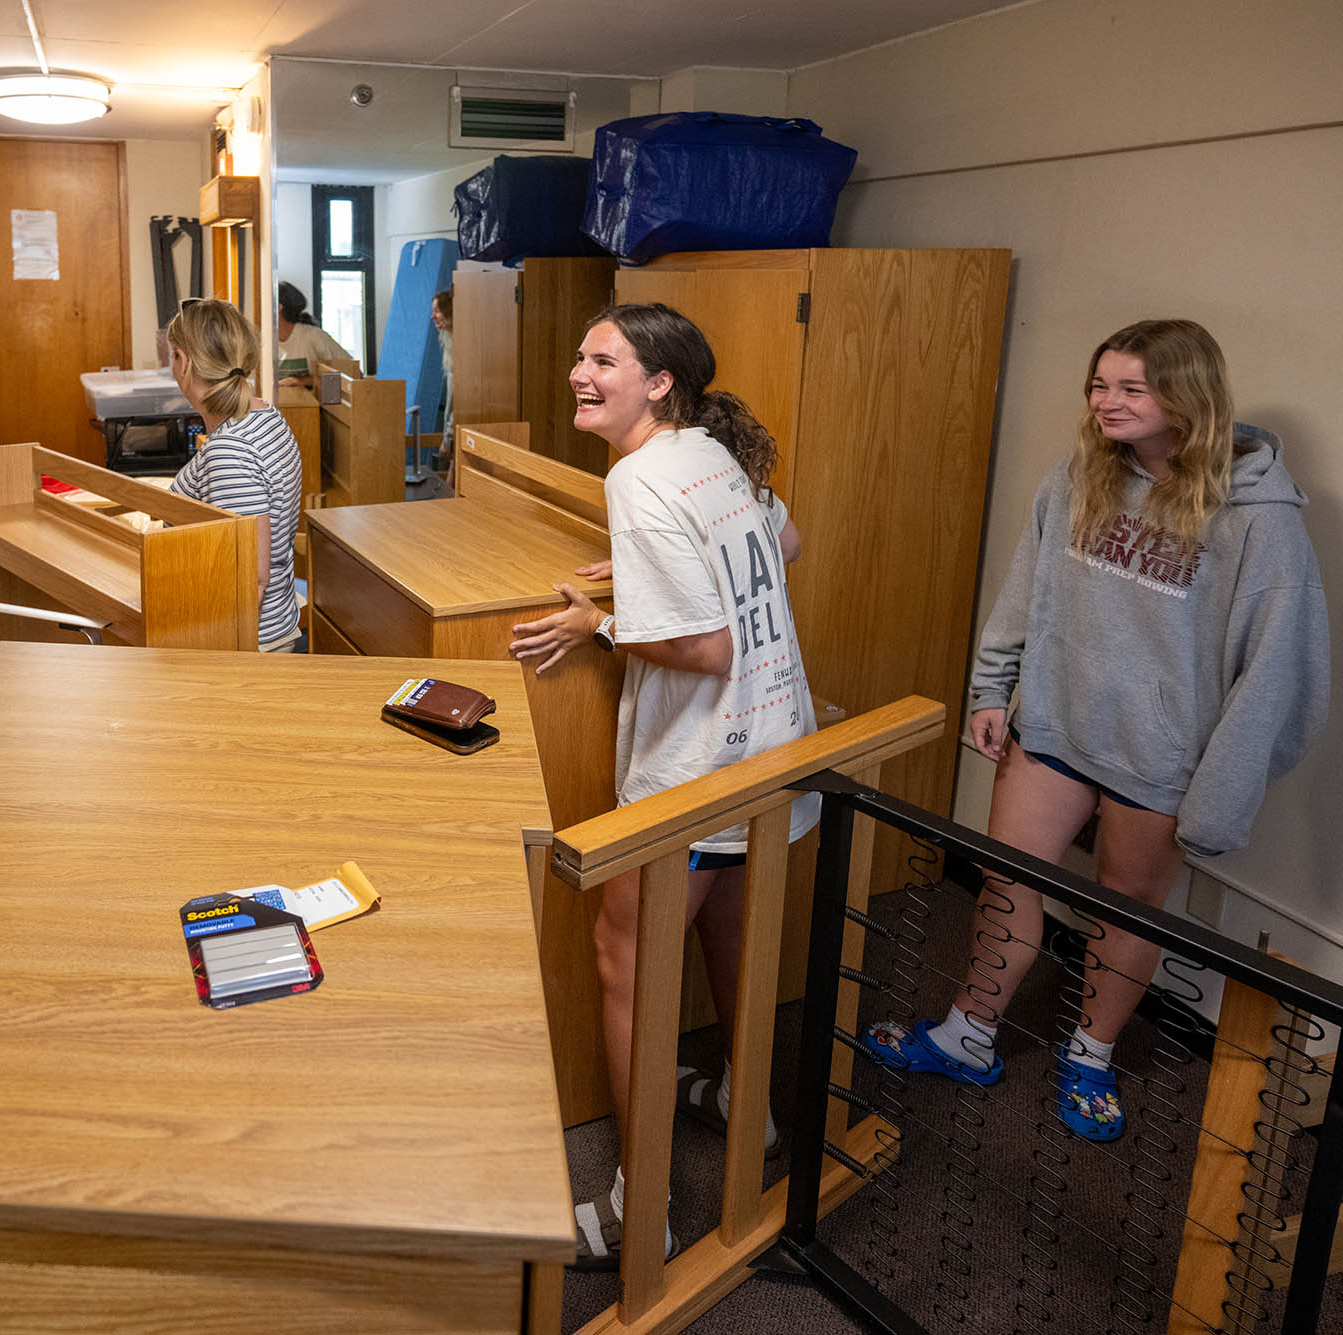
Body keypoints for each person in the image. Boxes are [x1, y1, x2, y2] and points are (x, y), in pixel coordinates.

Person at [865, 319, 1329, 1142]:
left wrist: (1219, 800)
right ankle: (969, 1033)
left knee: (1130, 908)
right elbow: (1026, 587)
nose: (1106, 402)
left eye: (1131, 388)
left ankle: (1090, 1053)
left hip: (1161, 759)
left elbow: (1277, 678)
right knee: (1008, 878)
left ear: (1187, 396)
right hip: (1055, 723)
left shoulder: (1260, 522)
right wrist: (993, 686)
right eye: (1099, 385)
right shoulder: (1081, 475)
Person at [509, 304, 819, 1268]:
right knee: (731, 927)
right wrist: (650, 574)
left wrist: (604, 621)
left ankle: (645, 1207)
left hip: (699, 762)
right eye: (580, 354)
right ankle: (747, 1106)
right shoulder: (709, 452)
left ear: (659, 385)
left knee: (623, 959)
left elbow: (705, 643)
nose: (577, 371)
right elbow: (784, 540)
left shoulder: (639, 476)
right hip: (774, 741)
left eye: (603, 359)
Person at [167, 299, 305, 652]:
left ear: (183, 361)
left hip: (248, 641)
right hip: (273, 624)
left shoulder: (229, 450)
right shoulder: (265, 415)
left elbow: (251, 582)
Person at [275, 281, 351, 387]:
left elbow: (352, 373)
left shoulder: (313, 336)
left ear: (279, 307)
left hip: (313, 403)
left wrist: (302, 381)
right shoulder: (263, 340)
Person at [431, 287, 455, 469]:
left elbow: (454, 400)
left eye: (437, 311)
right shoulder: (448, 341)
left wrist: (447, 439)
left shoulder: (460, 346)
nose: (433, 317)